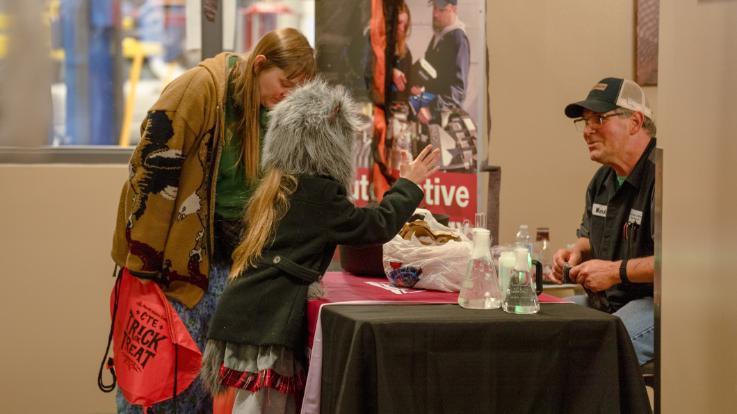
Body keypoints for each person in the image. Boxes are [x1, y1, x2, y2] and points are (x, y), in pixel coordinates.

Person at [200, 79, 440, 413]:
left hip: (248, 311)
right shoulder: (319, 193)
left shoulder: (278, 184)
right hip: (269, 321)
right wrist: (409, 184)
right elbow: (375, 226)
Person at [110, 28, 315, 413]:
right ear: (259, 65)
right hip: (173, 267)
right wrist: (146, 271)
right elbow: (150, 177)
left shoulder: (270, 111)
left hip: (225, 263)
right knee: (165, 382)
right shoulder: (200, 89)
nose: (286, 96)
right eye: (284, 83)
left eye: (297, 90)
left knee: (201, 386)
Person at [550, 77, 657, 366]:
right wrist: (575, 253)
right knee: (538, 327)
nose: (587, 131)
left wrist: (615, 271)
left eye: (599, 119)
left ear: (635, 121)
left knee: (592, 354)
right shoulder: (602, 180)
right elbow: (590, 237)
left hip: (657, 307)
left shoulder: (664, 177)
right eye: (585, 122)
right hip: (607, 303)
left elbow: (679, 263)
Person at [411, 0, 470, 124]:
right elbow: (432, 73)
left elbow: (458, 90)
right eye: (434, 8)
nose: (435, 14)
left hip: (443, 118)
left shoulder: (458, 39)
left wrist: (431, 108)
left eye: (441, 10)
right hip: (429, 113)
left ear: (454, 10)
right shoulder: (440, 34)